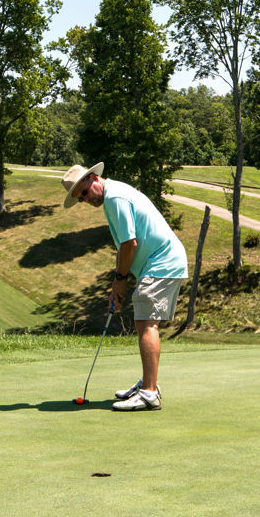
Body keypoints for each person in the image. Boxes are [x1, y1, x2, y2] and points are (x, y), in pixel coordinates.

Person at [61, 162, 189, 411]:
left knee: (145, 321)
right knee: (144, 319)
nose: (85, 200)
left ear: (93, 178)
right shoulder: (113, 196)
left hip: (163, 261)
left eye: (84, 193)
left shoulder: (115, 197)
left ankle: (149, 393)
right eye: (80, 199)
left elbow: (130, 244)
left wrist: (120, 279)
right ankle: (148, 383)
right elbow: (125, 246)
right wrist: (117, 284)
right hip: (158, 262)